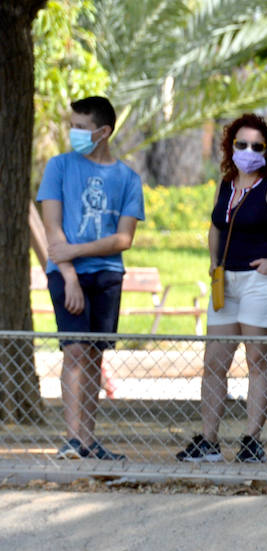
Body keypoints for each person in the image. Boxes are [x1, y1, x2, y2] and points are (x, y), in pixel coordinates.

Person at [176, 115, 267, 463]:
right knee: (214, 362)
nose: (249, 151)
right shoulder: (225, 184)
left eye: (257, 146)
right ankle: (208, 440)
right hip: (227, 282)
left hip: (263, 281)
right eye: (242, 144)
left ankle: (251, 439)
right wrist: (213, 262)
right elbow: (215, 226)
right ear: (230, 146)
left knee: (257, 359)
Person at [36, 95, 144, 461]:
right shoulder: (59, 167)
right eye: (72, 126)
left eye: (81, 128)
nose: (73, 133)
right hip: (67, 276)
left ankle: (88, 438)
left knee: (95, 356)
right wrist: (68, 275)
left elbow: (123, 239)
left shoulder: (128, 178)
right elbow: (53, 230)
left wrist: (77, 252)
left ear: (103, 132)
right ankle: (73, 438)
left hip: (107, 275)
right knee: (75, 350)